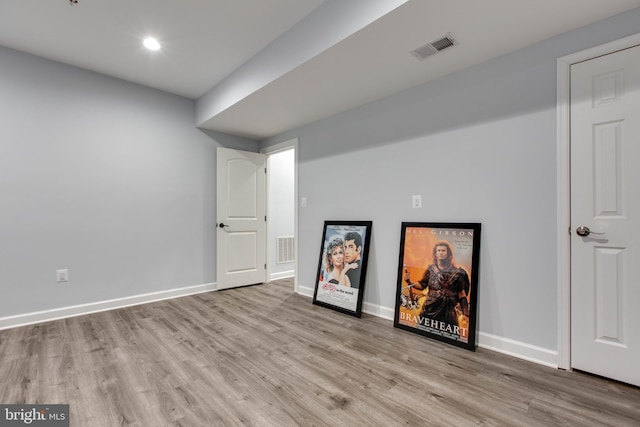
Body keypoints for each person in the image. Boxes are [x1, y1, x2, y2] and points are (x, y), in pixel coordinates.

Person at [404, 241, 470, 327]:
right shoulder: (430, 269)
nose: (441, 253)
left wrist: (466, 314)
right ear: (435, 253)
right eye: (438, 250)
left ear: (448, 253)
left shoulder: (458, 273)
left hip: (448, 312)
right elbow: (422, 285)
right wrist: (409, 282)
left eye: (443, 250)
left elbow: (462, 295)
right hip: (429, 309)